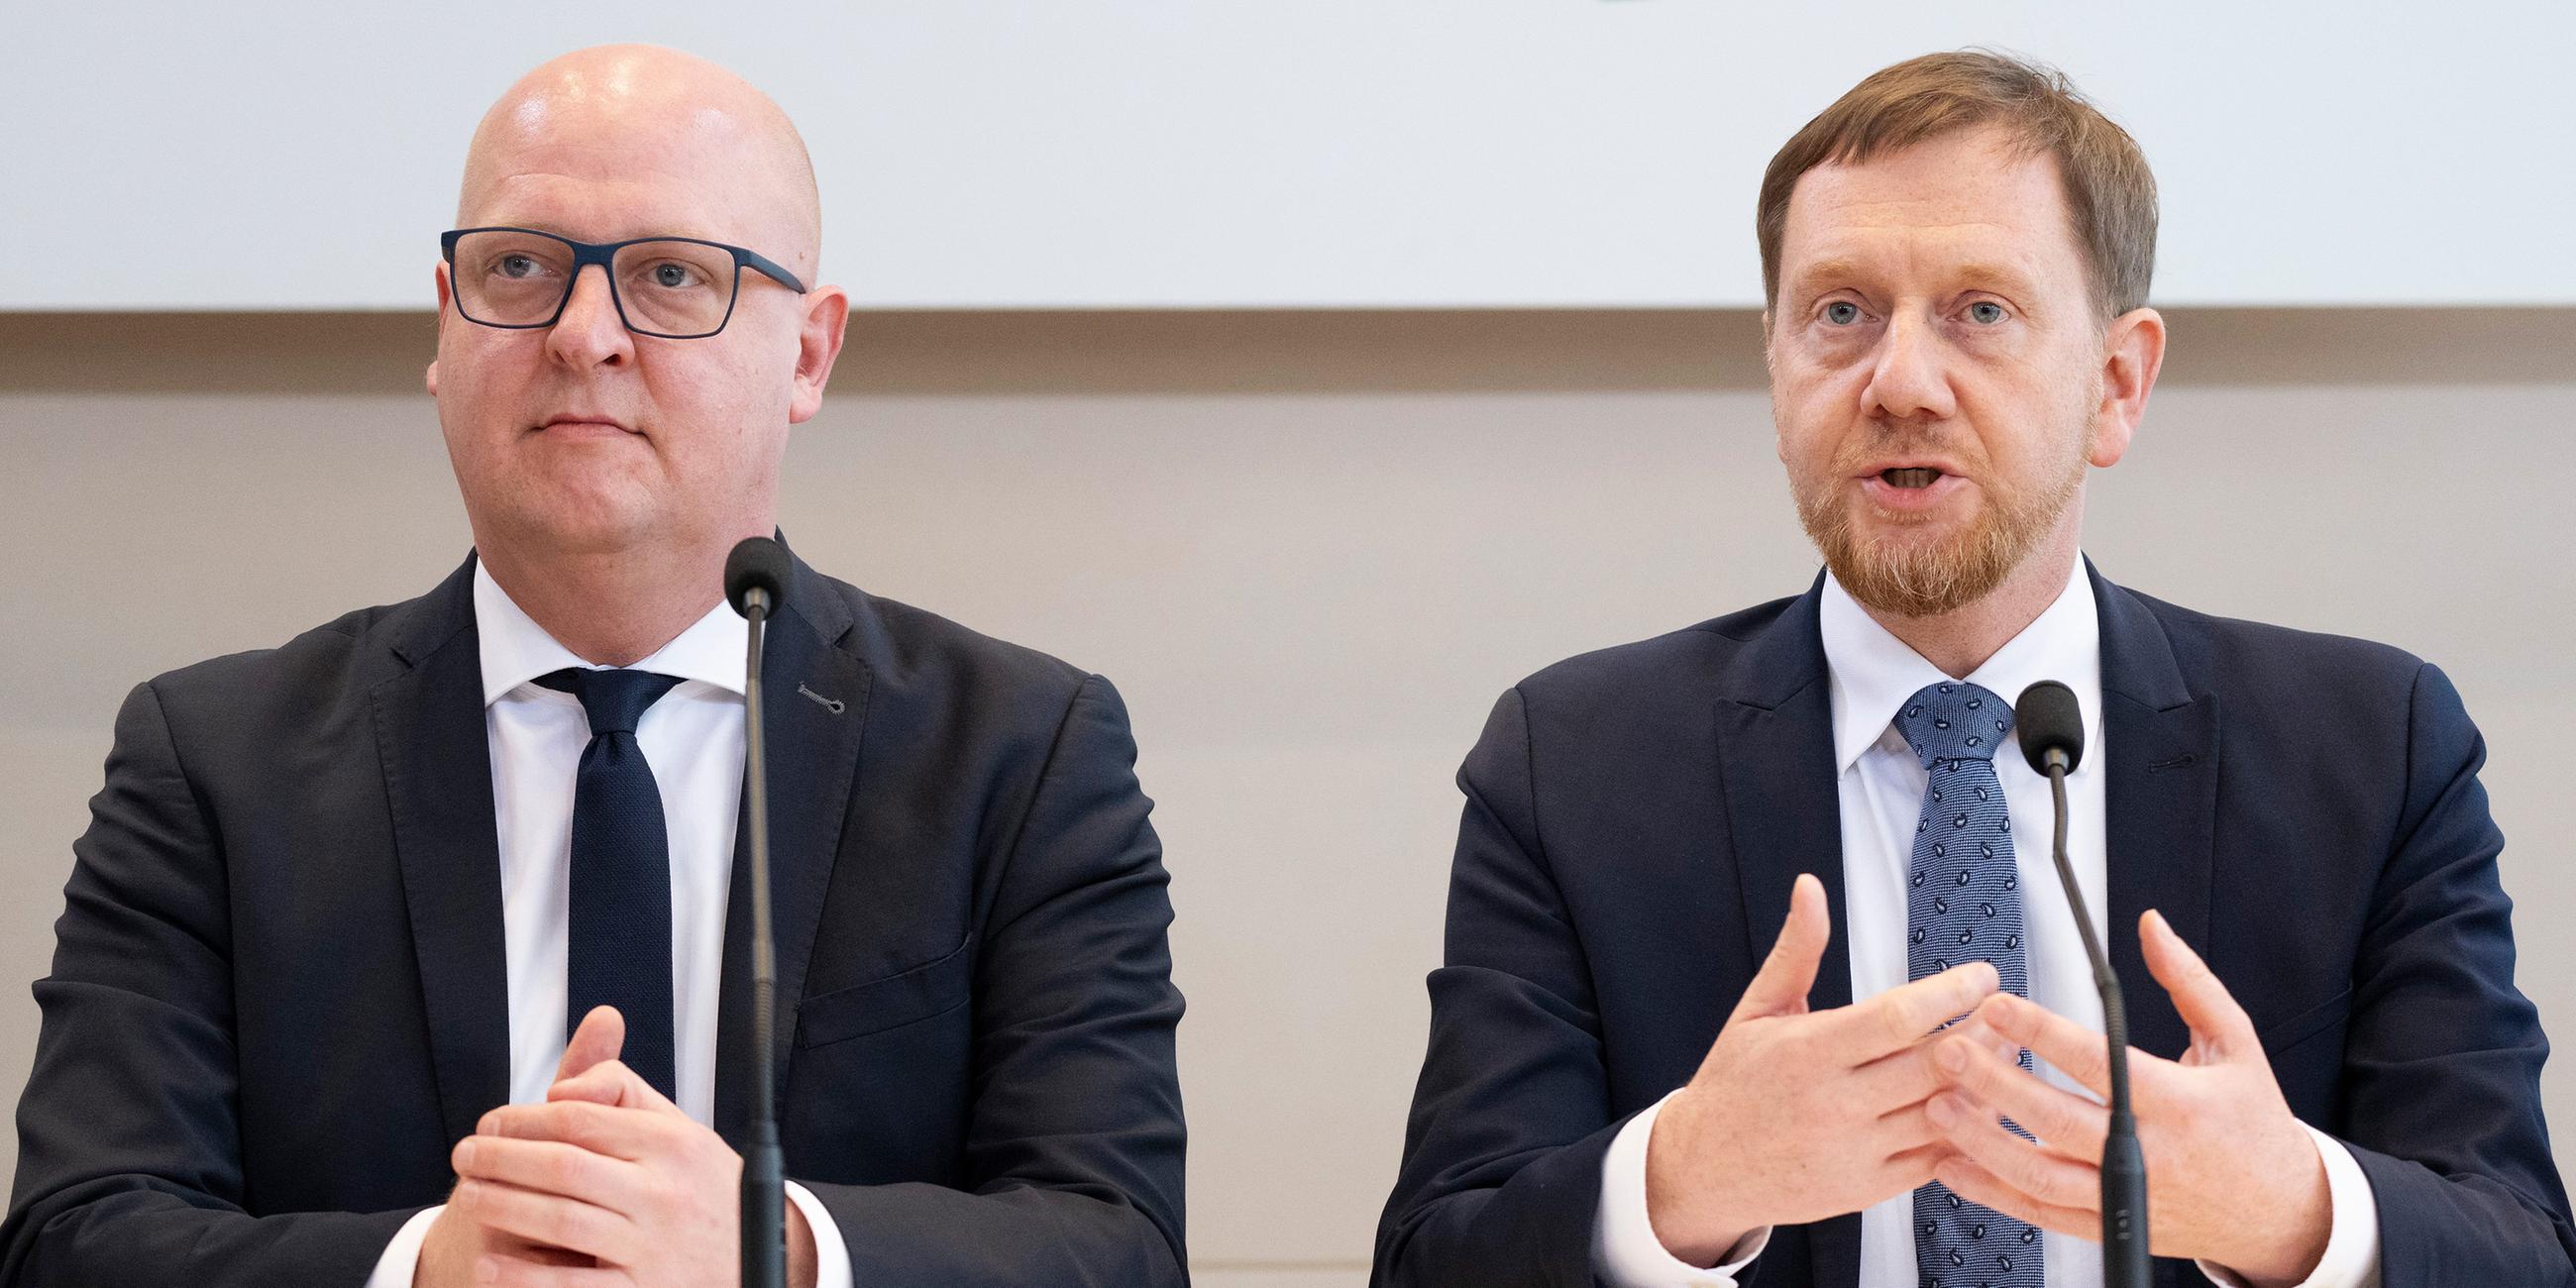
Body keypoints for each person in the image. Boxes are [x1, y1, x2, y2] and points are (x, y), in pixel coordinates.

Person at [1372, 50, 2571, 1288]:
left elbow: (2520, 1247)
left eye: (1978, 311)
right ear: (1775, 365)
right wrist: (1674, 1186)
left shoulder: (2370, 752)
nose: (1896, 381)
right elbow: (1430, 1259)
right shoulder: (1571, 765)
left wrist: (2292, 1212)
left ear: (2115, 383)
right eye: (1838, 312)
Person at [0, 45, 1186, 1288]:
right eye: (518, 267)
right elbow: (76, 1237)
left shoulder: (1019, 753)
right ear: (442, 322)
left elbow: (1117, 1240)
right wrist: (426, 1270)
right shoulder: (212, 764)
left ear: (807, 355)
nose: (583, 334)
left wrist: (773, 1246)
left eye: (671, 276)